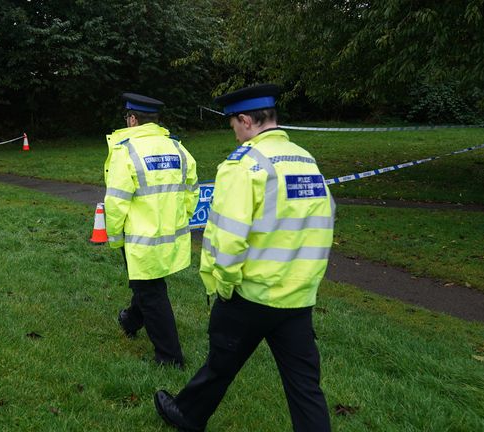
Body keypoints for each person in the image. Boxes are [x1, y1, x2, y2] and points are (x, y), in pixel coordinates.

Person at [154, 84, 336, 431]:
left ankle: (186, 415)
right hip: (297, 297)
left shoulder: (243, 166)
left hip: (250, 294)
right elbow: (324, 220)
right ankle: (186, 412)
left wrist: (223, 288)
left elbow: (227, 239)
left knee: (221, 363)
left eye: (233, 125)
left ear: (245, 120)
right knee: (305, 387)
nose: (234, 134)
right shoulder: (305, 159)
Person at [104, 93, 199, 368]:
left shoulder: (126, 151)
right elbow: (193, 190)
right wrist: (180, 218)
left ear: (133, 119)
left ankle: (170, 359)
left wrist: (115, 238)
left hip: (140, 239)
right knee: (146, 284)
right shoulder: (179, 148)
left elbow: (116, 201)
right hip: (171, 235)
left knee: (151, 291)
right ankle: (130, 320)